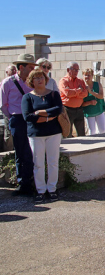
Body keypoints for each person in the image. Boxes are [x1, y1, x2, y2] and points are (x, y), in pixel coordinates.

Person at [22, 69, 62, 203]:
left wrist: (40, 112)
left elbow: (58, 109)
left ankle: (52, 189)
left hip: (53, 133)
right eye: (36, 78)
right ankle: (40, 190)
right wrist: (48, 117)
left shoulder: (53, 94)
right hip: (36, 134)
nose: (40, 80)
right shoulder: (27, 97)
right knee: (38, 163)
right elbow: (28, 116)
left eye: (42, 77)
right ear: (31, 81)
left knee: (53, 161)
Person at [0, 54, 37, 195]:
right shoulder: (7, 83)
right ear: (21, 67)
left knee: (31, 151)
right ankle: (23, 183)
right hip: (17, 119)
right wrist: (12, 118)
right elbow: (3, 104)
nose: (33, 70)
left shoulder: (32, 83)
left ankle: (32, 181)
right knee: (20, 152)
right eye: (31, 67)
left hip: (31, 119)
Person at [59, 61, 88, 137]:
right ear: (68, 70)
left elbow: (85, 94)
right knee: (68, 132)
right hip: (68, 110)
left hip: (79, 109)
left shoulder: (80, 81)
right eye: (74, 69)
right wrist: (79, 90)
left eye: (77, 70)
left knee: (81, 132)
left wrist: (74, 93)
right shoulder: (63, 81)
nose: (76, 72)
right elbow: (67, 93)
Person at [82, 68, 105, 135]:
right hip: (89, 112)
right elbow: (81, 103)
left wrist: (91, 92)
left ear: (92, 75)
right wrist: (90, 102)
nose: (87, 77)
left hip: (99, 110)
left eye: (89, 75)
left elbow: (101, 96)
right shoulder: (82, 87)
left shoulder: (98, 84)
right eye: (85, 75)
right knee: (92, 132)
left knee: (102, 131)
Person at [1, 65, 17, 151]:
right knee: (8, 132)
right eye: (12, 69)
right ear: (7, 72)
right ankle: (8, 152)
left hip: (16, 112)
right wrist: (7, 114)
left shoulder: (19, 81)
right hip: (8, 111)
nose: (14, 71)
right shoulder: (5, 82)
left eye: (15, 69)